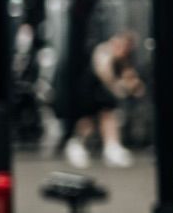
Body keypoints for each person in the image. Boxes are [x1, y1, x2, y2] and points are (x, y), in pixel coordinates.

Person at [61, 30, 144, 169]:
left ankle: (111, 147)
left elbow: (129, 75)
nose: (126, 50)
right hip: (89, 90)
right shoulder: (104, 50)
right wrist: (118, 87)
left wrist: (134, 85)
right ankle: (76, 145)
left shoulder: (122, 57)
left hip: (102, 93)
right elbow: (104, 72)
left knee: (108, 116)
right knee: (88, 122)